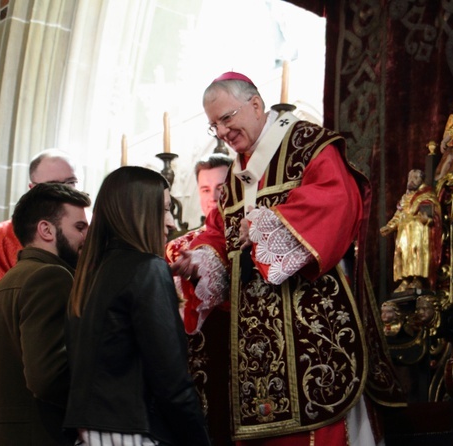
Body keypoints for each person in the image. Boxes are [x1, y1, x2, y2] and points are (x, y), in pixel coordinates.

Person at [171, 72, 405, 445]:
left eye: (227, 118)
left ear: (256, 104)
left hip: (310, 324)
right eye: (214, 125)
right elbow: (218, 232)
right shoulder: (236, 176)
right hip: (255, 339)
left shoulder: (307, 144)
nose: (222, 132)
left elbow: (338, 201)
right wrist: (199, 262)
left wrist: (272, 226)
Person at [64, 166, 210, 446]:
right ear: (139, 212)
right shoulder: (147, 269)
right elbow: (172, 381)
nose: (170, 222)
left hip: (89, 434)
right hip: (133, 432)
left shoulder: (89, 275)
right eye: (165, 209)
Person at [0, 149, 79, 446]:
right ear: (32, 189)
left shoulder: (80, 237)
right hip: (23, 395)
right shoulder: (3, 237)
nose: (64, 191)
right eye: (55, 184)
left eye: (71, 183)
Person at [165, 153, 233, 446]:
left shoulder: (254, 237)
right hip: (193, 368)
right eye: (205, 189)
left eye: (221, 187)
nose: (214, 196)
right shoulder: (178, 247)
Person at [380, 169, 442, 293]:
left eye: (415, 178)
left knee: (416, 252)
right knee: (402, 253)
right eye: (410, 178)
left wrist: (428, 218)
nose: (411, 181)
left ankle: (417, 279)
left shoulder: (427, 194)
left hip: (418, 230)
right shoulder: (405, 197)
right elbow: (399, 214)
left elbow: (433, 212)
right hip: (403, 232)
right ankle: (405, 280)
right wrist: (389, 227)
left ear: (422, 180)